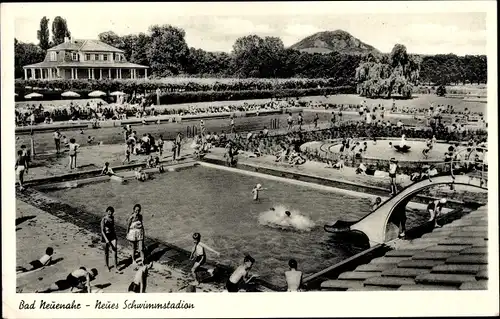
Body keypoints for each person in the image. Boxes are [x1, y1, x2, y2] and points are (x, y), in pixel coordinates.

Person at [101, 206, 118, 272]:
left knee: (115, 251)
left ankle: (116, 267)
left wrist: (115, 236)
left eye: (111, 212)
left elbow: (113, 228)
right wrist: (106, 240)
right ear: (106, 212)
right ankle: (107, 266)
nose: (110, 213)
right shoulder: (104, 219)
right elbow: (102, 231)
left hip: (112, 236)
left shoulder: (112, 218)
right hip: (105, 237)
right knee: (106, 252)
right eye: (109, 212)